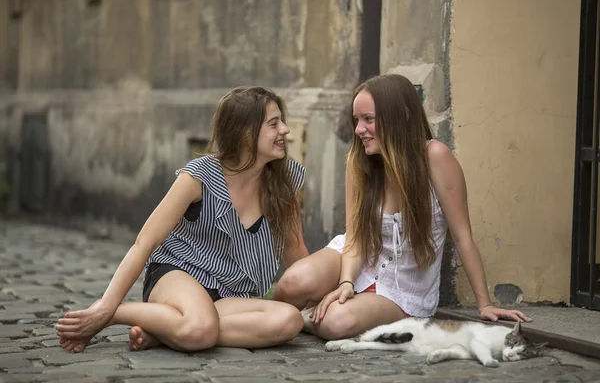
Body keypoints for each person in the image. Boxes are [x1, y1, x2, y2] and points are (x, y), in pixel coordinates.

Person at [274, 74, 532, 340]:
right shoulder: (359, 162)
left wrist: (485, 304)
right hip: (356, 259)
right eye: (357, 120)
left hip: (402, 286)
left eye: (368, 119)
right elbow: (356, 238)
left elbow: (463, 235)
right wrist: (346, 283)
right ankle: (305, 312)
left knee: (336, 324)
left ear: (403, 116)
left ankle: (299, 318)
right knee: (292, 283)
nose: (358, 129)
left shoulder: (436, 158)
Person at [56, 86, 308, 353]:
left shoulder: (285, 181)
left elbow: (294, 251)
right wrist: (107, 305)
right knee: (200, 330)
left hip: (229, 294)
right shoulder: (198, 176)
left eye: (282, 121)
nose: (285, 130)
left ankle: (168, 331)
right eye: (273, 124)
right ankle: (117, 314)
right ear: (245, 133)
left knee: (288, 320)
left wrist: (327, 296)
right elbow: (145, 243)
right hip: (178, 275)